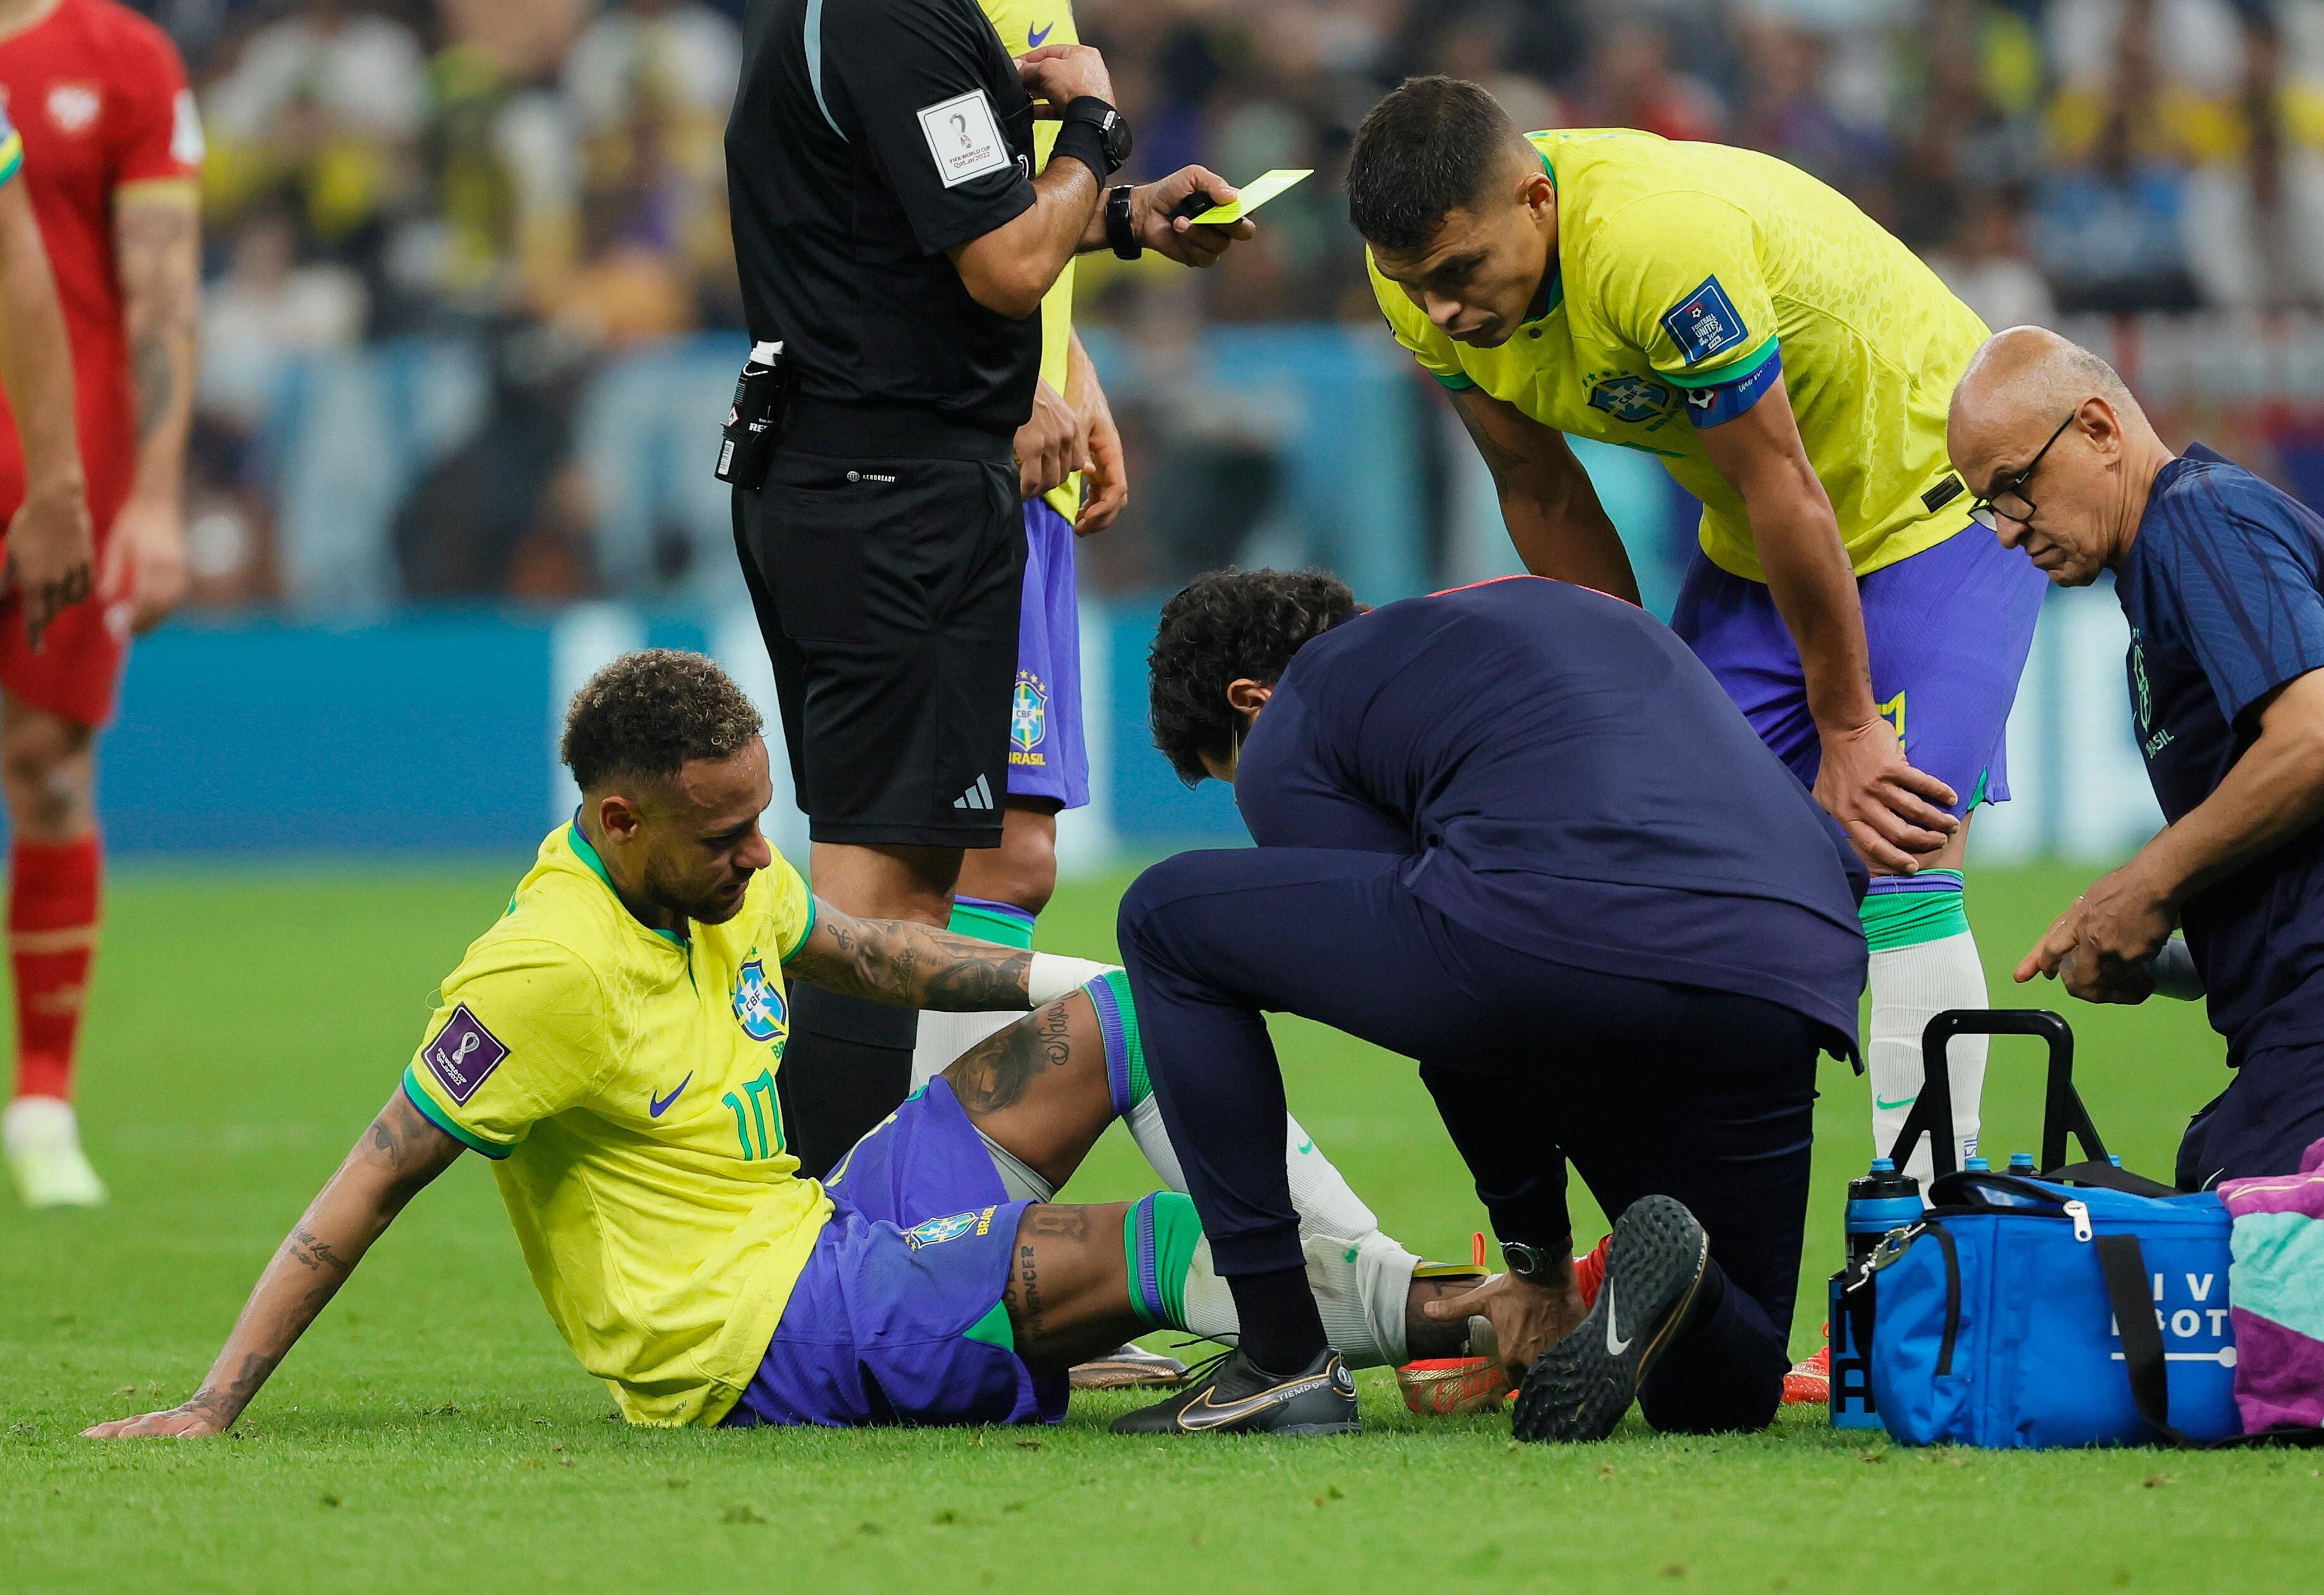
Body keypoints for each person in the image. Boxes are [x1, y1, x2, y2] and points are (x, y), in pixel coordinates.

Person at [84, 651, 1480, 1439]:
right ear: (622, 824)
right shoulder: (542, 975)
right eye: (728, 834)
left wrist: (1125, 969)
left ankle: (1340, 1316)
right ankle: (1465, 1320)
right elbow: (368, 1183)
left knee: (1134, 1012)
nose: (763, 857)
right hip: (763, 1340)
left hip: (824, 1224)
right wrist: (214, 1403)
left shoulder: (721, 878)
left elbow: (883, 955)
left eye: (764, 819)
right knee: (1167, 1240)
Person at [1344, 77, 2049, 1188]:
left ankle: (1925, 1259)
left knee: (1898, 848)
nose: (1441, 311)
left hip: (1927, 503)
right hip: (1757, 537)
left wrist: (1851, 725)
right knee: (1659, 871)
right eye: (1410, 284)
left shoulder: (1658, 248)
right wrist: (1622, 706)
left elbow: (1786, 484)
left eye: (1459, 275)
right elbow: (1537, 485)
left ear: (1537, 201)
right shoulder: (1420, 282)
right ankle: (1688, 1263)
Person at [1112, 570, 1868, 1441]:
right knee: (1715, 1396)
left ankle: (1281, 1360)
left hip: (1570, 941)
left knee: (1165, 921)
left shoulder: (1302, 702)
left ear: (1251, 700)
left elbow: (1455, 1023)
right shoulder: (1552, 612)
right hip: (1788, 965)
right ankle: (1685, 1281)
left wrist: (1537, 1260)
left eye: (1230, 773)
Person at [723, 0, 1249, 1182]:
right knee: (877, 918)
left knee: (897, 899)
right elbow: (1008, 264)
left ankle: (880, 1263)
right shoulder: (896, 16)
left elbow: (910, 210)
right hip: (894, 498)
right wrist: (1098, 127)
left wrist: (1114, 213)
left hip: (855, 479)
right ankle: (836, 1280)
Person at [1949, 326, 2324, 1189]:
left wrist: (2146, 884)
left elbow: (2312, 736)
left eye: (2014, 487)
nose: (2006, 533)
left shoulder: (2198, 517)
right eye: (1987, 505)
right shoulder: (2154, 603)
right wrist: (2152, 951)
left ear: (2100, 430)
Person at [0, 0, 199, 1208]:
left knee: (51, 769)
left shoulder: (122, 57)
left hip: (66, 469)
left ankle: (42, 1101)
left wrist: (159, 502)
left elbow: (161, 288)